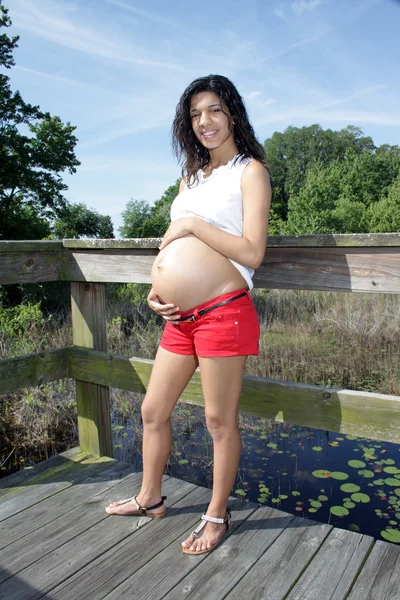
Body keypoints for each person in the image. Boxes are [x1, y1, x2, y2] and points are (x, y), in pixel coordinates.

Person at [105, 74, 271, 555]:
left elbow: (253, 251)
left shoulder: (250, 171)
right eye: (196, 114)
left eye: (214, 109)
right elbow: (175, 247)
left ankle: (217, 516)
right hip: (177, 317)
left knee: (220, 421)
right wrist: (158, 294)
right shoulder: (191, 178)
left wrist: (192, 223)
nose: (205, 121)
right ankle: (149, 497)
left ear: (233, 113)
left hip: (224, 311)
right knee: (153, 410)